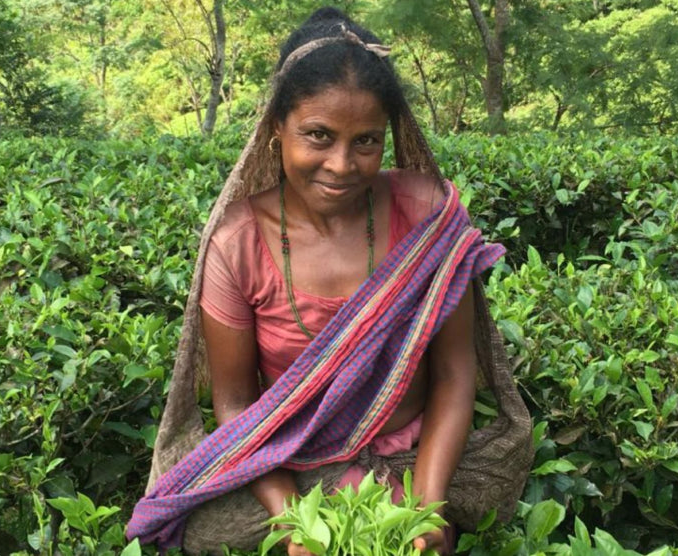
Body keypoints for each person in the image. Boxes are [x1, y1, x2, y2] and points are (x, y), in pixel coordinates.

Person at [128, 7, 533, 555]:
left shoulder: (426, 216)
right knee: (204, 529)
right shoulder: (238, 244)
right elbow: (237, 404)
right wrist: (296, 522)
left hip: (416, 458)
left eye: (366, 141)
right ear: (277, 127)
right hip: (290, 465)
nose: (342, 165)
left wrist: (426, 509)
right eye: (318, 135)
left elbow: (453, 375)